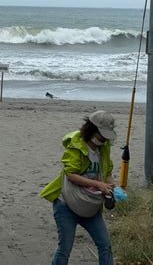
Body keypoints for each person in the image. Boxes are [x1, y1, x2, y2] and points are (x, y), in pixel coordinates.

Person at [40, 110, 117, 265]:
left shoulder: (104, 147)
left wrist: (111, 186)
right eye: (103, 135)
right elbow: (71, 175)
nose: (104, 139)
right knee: (65, 248)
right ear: (92, 130)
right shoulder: (76, 146)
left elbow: (107, 171)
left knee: (105, 244)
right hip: (66, 204)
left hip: (89, 205)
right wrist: (98, 184)